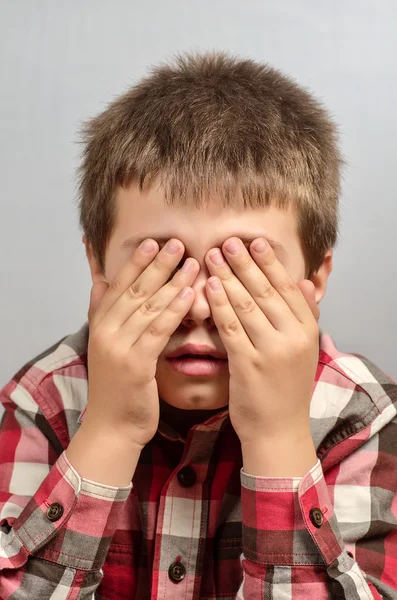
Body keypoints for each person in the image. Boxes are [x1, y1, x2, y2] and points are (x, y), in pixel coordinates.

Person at [0, 51, 396, 600]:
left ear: (316, 276)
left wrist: (278, 440)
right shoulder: (43, 402)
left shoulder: (361, 418)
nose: (200, 308)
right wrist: (108, 433)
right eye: (161, 261)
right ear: (99, 269)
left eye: (242, 268)